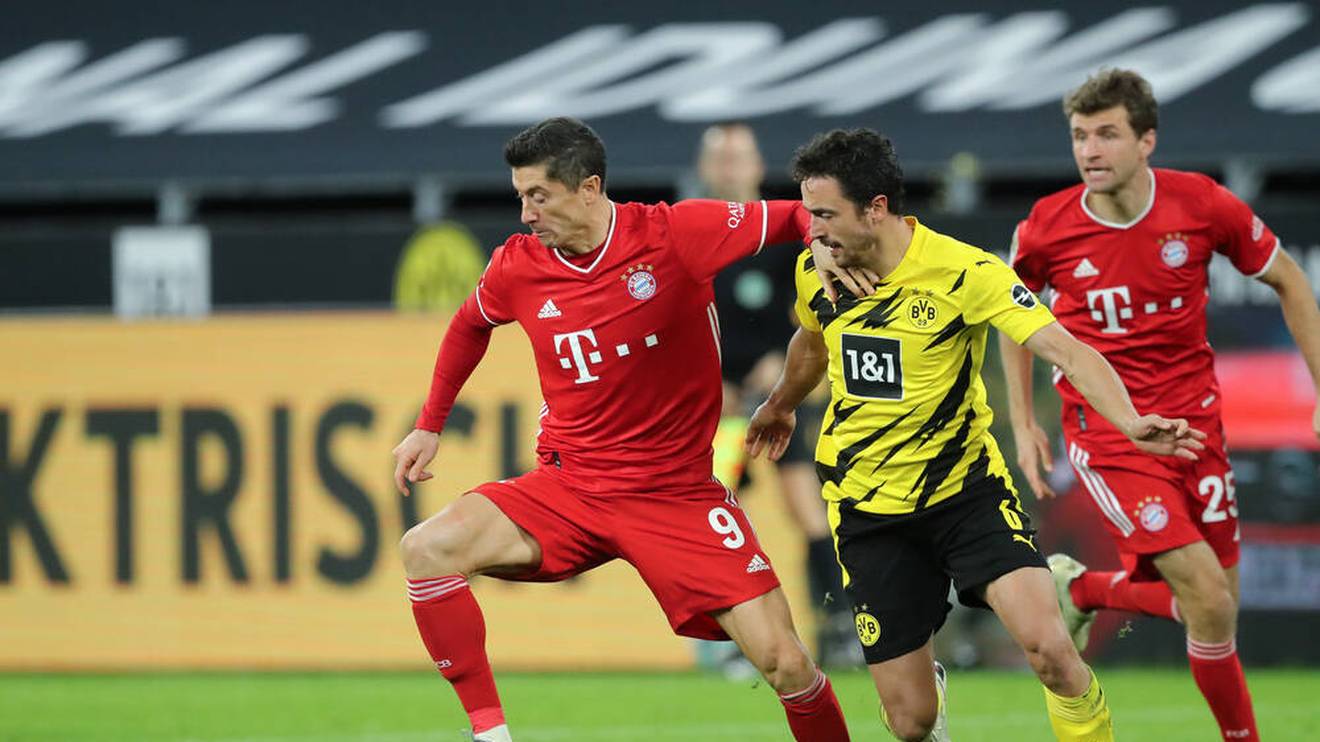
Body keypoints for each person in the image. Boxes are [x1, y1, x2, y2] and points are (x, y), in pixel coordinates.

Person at [391, 117, 865, 742]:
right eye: (521, 196)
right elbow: (469, 324)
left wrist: (824, 247)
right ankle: (490, 735)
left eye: (539, 196)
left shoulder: (675, 233)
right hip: (569, 487)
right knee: (426, 549)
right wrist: (429, 426)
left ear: (589, 188)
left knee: (787, 664)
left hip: (675, 494)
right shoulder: (517, 265)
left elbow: (796, 215)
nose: (526, 214)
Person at [747, 128, 1204, 742]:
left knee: (1050, 652)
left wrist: (1129, 420)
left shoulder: (964, 271)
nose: (813, 229)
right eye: (810, 214)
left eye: (825, 214)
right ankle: (927, 693)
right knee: (911, 724)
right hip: (868, 510)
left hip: (966, 494)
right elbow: (811, 342)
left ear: (876, 208)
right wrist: (780, 405)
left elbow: (1066, 349)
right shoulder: (818, 269)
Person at [1002, 68, 1320, 742]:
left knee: (1218, 608)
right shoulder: (1048, 225)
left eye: (1107, 134)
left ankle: (1084, 590)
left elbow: (1290, 278)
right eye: (1080, 136)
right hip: (1111, 438)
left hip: (1197, 427)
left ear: (1147, 140)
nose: (1090, 151)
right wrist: (1024, 422)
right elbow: (1010, 312)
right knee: (1208, 598)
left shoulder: (1200, 204)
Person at [697, 122, 861, 669]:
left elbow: (816, 304)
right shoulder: (692, 232)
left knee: (808, 509)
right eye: (720, 158)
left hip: (777, 398)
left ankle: (840, 626)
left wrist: (783, 360)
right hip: (718, 408)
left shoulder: (783, 232)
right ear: (705, 168)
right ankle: (729, 642)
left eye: (737, 157)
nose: (729, 167)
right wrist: (709, 382)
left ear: (757, 165)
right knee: (714, 513)